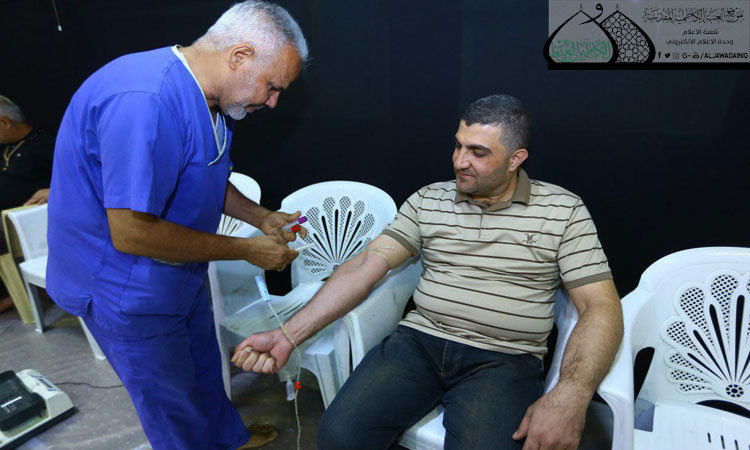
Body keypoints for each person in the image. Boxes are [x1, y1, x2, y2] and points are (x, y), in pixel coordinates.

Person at [232, 95, 624, 450]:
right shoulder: (429, 199)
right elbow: (367, 264)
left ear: (515, 159)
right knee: (339, 436)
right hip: (419, 345)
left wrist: (572, 395)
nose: (459, 161)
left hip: (504, 360)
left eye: (478, 152)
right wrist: (288, 335)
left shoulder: (563, 210)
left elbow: (600, 306)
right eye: (458, 145)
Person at [46, 2, 308, 449]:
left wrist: (261, 217)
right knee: (171, 402)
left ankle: (228, 440)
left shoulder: (209, 95)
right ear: (240, 56)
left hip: (179, 270)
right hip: (124, 285)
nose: (272, 101)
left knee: (204, 370)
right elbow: (132, 232)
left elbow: (205, 173)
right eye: (272, 86)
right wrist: (246, 250)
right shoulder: (144, 102)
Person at [0, 95, 55, 313]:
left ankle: (8, 295)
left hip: (23, 219)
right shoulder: (6, 147)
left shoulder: (44, 144)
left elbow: (77, 177)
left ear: (5, 122)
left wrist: (54, 191)